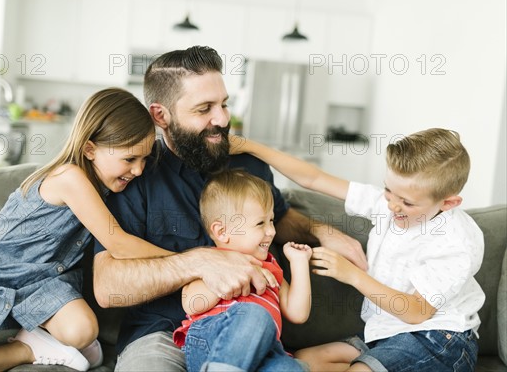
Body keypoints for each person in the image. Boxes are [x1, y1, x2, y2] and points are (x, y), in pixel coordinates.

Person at [92, 45, 367, 371]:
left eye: (224, 104)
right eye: (204, 108)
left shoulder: (248, 165)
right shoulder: (134, 175)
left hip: (246, 332)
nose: (222, 119)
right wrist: (200, 263)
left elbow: (280, 217)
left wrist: (322, 231)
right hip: (161, 333)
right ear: (160, 115)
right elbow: (107, 288)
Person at [0, 88, 173, 372]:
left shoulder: (107, 185)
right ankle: (25, 348)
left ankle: (26, 347)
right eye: (129, 159)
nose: (138, 170)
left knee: (82, 330)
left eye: (144, 159)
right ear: (89, 149)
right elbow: (120, 245)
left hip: (42, 284)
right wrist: (188, 259)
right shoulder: (69, 178)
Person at [236, 128, 484, 371]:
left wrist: (352, 275)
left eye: (407, 202)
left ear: (448, 203)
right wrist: (248, 145)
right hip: (387, 333)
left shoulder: (456, 241)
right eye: (388, 190)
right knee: (304, 360)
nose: (393, 206)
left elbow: (417, 312)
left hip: (440, 339)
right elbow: (314, 178)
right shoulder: (387, 205)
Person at [173, 170, 312, 372]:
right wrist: (239, 275)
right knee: (255, 314)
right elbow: (191, 303)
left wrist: (299, 263)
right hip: (212, 340)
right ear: (222, 232)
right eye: (260, 223)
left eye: (271, 220)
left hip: (265, 350)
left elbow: (297, 313)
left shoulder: (271, 268)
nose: (271, 231)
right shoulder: (211, 261)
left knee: (290, 368)